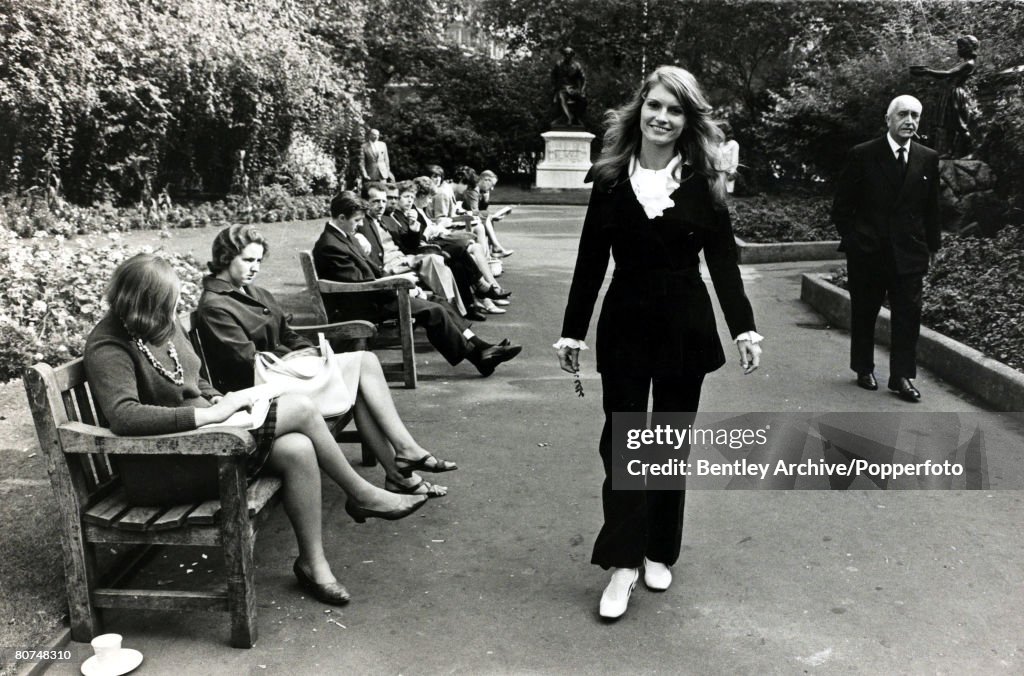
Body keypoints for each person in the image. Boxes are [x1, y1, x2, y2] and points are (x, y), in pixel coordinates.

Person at [84, 254, 428, 607]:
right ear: (143, 304)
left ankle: (313, 564)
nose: (172, 313)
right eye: (167, 305)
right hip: (165, 466)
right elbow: (124, 417)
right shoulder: (108, 345)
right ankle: (361, 494)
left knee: (297, 448)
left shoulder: (160, 326)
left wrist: (220, 399)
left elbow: (194, 378)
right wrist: (209, 416)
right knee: (301, 407)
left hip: (209, 442)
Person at [554, 65, 763, 620]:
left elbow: (722, 261)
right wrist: (572, 329)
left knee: (668, 442)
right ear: (639, 110)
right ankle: (622, 563)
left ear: (687, 119)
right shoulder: (609, 178)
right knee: (622, 443)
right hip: (624, 324)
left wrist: (743, 326)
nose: (663, 118)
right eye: (655, 106)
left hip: (684, 328)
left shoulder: (704, 181)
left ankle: (658, 549)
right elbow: (590, 262)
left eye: (675, 110)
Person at [196, 223, 456, 496]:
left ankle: (401, 467)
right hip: (261, 392)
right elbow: (247, 361)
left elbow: (288, 333)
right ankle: (403, 460)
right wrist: (298, 357)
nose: (255, 267)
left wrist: (307, 351)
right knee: (362, 365)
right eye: (248, 260)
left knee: (362, 368)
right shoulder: (215, 305)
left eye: (259, 260)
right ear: (225, 258)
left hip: (285, 375)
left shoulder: (255, 292)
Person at [313, 191, 522, 376]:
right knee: (434, 312)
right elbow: (356, 288)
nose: (360, 225)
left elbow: (370, 274)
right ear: (341, 217)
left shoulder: (342, 236)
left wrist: (402, 285)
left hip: (370, 297)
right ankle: (478, 357)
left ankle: (481, 347)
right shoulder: (331, 246)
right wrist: (399, 286)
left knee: (439, 301)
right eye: (357, 220)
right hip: (360, 307)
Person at [831, 94, 941, 402]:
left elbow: (932, 208)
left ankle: (901, 376)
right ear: (888, 120)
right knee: (865, 313)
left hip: (909, 254)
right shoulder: (863, 155)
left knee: (908, 316)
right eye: (903, 114)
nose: (910, 121)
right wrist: (856, 241)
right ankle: (863, 367)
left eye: (916, 116)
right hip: (868, 253)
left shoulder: (927, 157)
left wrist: (933, 247)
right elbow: (841, 208)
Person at [910, 35, 979, 158]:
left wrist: (928, 71)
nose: (959, 49)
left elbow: (948, 73)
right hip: (950, 94)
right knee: (949, 126)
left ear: (970, 48)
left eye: (961, 46)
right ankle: (950, 152)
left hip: (956, 95)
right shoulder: (965, 63)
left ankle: (971, 153)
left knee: (960, 125)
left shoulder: (969, 63)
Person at [551, 46, 587, 127]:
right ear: (563, 55)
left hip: (573, 89)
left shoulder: (577, 65)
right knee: (561, 97)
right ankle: (568, 118)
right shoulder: (559, 64)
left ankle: (576, 118)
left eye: (569, 54)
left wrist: (582, 90)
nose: (567, 56)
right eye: (566, 54)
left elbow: (583, 79)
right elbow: (553, 77)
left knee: (583, 100)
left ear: (572, 56)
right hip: (562, 89)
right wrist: (555, 87)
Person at [717, 122, 740, 194]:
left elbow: (734, 162)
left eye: (720, 132)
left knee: (726, 196)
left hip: (728, 174)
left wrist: (730, 173)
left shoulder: (734, 144)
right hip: (718, 174)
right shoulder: (720, 144)